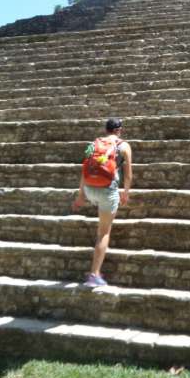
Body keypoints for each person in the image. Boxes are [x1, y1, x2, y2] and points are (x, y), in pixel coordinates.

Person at [72, 117, 133, 287]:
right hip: (107, 190)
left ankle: (95, 272)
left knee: (101, 219)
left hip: (91, 188)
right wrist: (125, 193)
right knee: (104, 232)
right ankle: (94, 274)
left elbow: (84, 170)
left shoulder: (94, 144)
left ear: (106, 129)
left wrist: (80, 196)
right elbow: (128, 175)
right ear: (119, 130)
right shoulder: (124, 146)